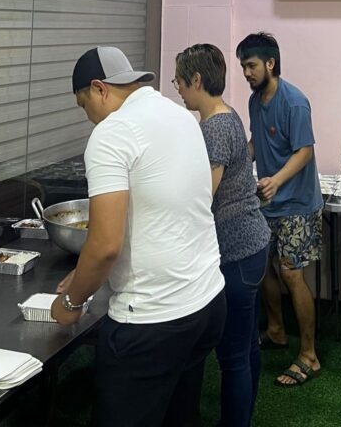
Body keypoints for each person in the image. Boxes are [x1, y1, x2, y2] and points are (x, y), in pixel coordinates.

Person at [50, 46, 226, 427]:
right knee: (179, 418)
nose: (88, 117)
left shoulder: (112, 133)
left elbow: (105, 245)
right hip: (207, 302)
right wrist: (85, 271)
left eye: (84, 105)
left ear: (99, 89)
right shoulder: (179, 115)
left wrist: (71, 300)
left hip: (152, 321)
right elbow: (163, 211)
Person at [173, 43, 271, 427]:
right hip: (251, 245)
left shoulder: (213, 128)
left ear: (197, 80)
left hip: (236, 252)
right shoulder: (228, 115)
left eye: (179, 82)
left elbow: (203, 198)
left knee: (233, 356)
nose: (179, 90)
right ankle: (243, 416)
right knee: (246, 347)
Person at [235, 31, 323, 388]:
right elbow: (257, 141)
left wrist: (277, 180)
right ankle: (275, 330)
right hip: (267, 204)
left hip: (297, 205)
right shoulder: (255, 101)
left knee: (291, 275)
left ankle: (309, 355)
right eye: (243, 66)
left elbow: (305, 151)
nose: (246, 73)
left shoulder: (295, 102)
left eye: (251, 65)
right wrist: (239, 161)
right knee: (262, 268)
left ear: (270, 63)